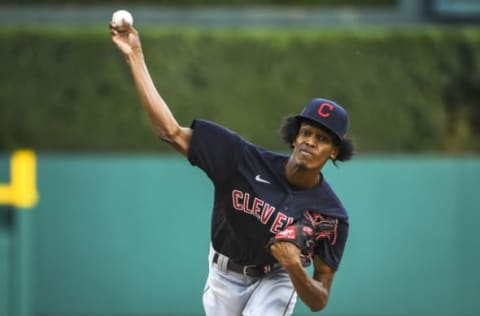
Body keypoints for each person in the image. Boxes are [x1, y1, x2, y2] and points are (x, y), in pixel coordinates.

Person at [110, 23, 354, 315]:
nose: (311, 142)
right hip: (223, 274)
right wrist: (134, 56)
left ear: (334, 151)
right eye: (307, 132)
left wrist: (293, 266)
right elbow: (170, 132)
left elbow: (319, 299)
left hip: (277, 277)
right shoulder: (241, 159)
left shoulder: (331, 215)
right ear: (295, 136)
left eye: (323, 139)